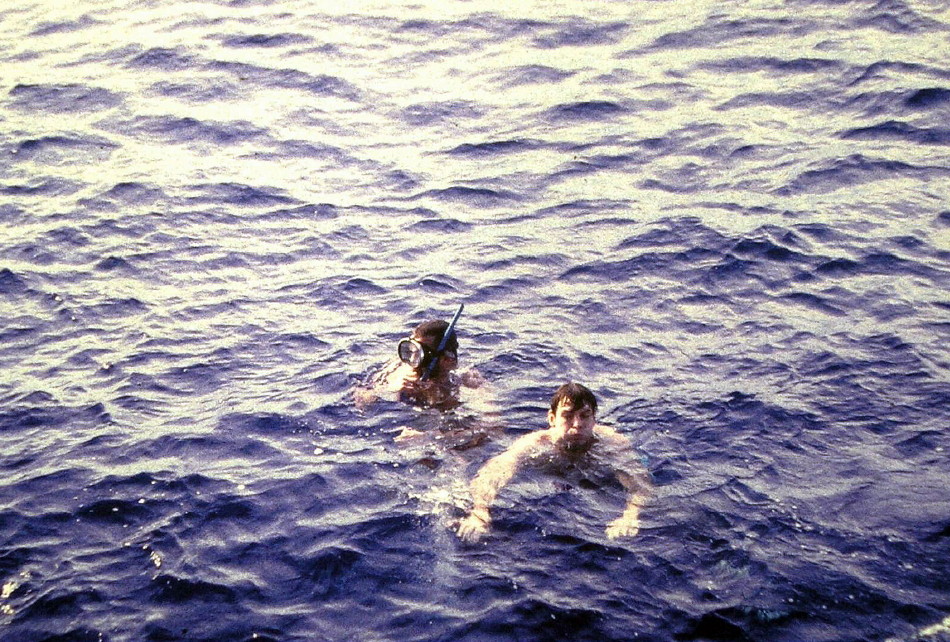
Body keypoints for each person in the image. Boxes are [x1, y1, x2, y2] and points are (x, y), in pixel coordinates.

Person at [456, 382, 652, 542]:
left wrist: (630, 516)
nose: (577, 425)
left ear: (594, 420)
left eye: (584, 416)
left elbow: (641, 483)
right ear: (552, 419)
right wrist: (479, 512)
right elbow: (494, 472)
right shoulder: (535, 444)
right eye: (567, 416)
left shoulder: (612, 443)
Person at [353, 306, 488, 415]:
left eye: (421, 355)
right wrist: (390, 391)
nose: (412, 361)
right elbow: (361, 403)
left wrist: (435, 398)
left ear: (447, 360)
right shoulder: (397, 369)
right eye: (411, 351)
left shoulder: (465, 379)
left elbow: (491, 416)